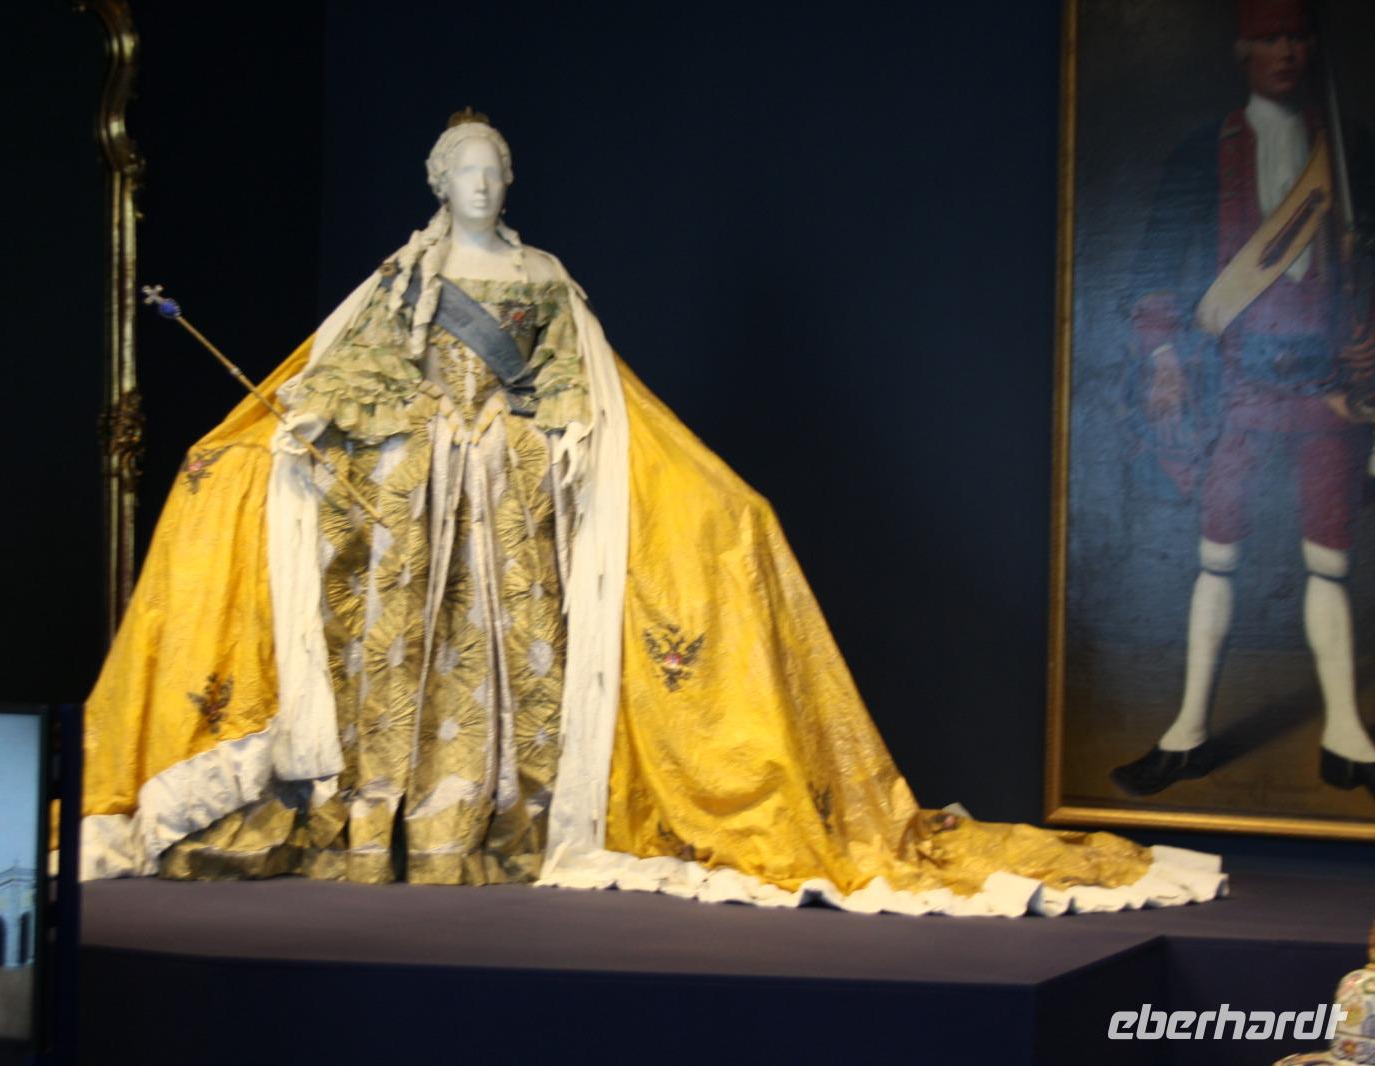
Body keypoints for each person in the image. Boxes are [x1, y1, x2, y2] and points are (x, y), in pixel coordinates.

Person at [81, 110, 1223, 915]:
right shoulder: (404, 281)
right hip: (420, 507)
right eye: (465, 172)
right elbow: (357, 379)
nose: (482, 187)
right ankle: (399, 818)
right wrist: (382, 428)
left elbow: (581, 398)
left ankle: (503, 815)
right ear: (437, 181)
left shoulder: (541, 279)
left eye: (494, 172)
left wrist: (515, 436)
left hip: (513, 498)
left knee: (654, 567)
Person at [1112, 0, 1375, 799]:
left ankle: (1347, 735)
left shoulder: (1351, 147)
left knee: (1328, 563)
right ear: (1241, 50)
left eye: (1297, 37)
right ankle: (1187, 733)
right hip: (1236, 384)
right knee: (1216, 561)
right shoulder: (1205, 150)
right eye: (1269, 38)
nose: (1286, 51)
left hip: (1327, 391)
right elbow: (1156, 262)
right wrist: (1163, 354)